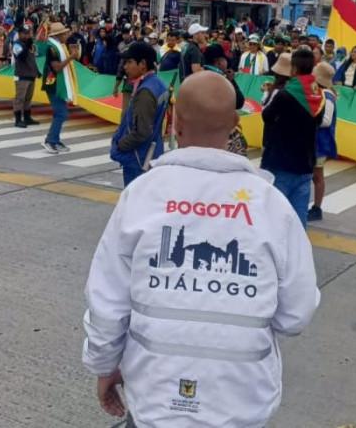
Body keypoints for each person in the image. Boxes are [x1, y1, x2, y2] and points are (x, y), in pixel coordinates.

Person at [82, 71, 320, 427]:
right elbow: (295, 315)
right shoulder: (271, 205)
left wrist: (103, 366)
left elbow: (107, 302)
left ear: (174, 120)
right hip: (242, 404)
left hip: (154, 399)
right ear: (235, 124)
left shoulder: (143, 195)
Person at [261, 47, 324, 226]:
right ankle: (299, 252)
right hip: (305, 163)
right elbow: (318, 122)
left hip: (281, 161)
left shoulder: (285, 95)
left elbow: (266, 117)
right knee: (298, 217)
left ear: (294, 69)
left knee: (275, 217)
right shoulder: (319, 95)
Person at [110, 42, 169, 186]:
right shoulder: (158, 83)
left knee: (134, 201)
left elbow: (142, 132)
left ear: (142, 64)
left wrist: (120, 145)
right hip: (151, 152)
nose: (125, 67)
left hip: (138, 158)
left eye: (129, 62)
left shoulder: (145, 92)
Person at [308, 62, 338, 222]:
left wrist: (307, 121)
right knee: (311, 175)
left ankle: (317, 207)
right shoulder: (319, 92)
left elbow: (326, 121)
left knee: (317, 176)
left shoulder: (328, 96)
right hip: (313, 140)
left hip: (320, 142)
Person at [41, 22, 72, 154]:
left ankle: (55, 139)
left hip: (56, 83)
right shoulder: (52, 48)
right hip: (53, 83)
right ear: (59, 35)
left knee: (61, 112)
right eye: (65, 33)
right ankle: (50, 140)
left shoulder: (57, 46)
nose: (67, 35)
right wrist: (71, 57)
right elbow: (57, 67)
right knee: (61, 113)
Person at [11, 23, 40, 129]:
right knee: (20, 98)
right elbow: (21, 57)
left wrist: (37, 71)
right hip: (21, 75)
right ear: (19, 34)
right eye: (24, 33)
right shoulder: (17, 44)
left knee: (28, 98)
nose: (27, 36)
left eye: (28, 33)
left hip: (31, 75)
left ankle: (27, 117)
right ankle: (18, 120)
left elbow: (32, 60)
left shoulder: (30, 44)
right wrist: (27, 46)